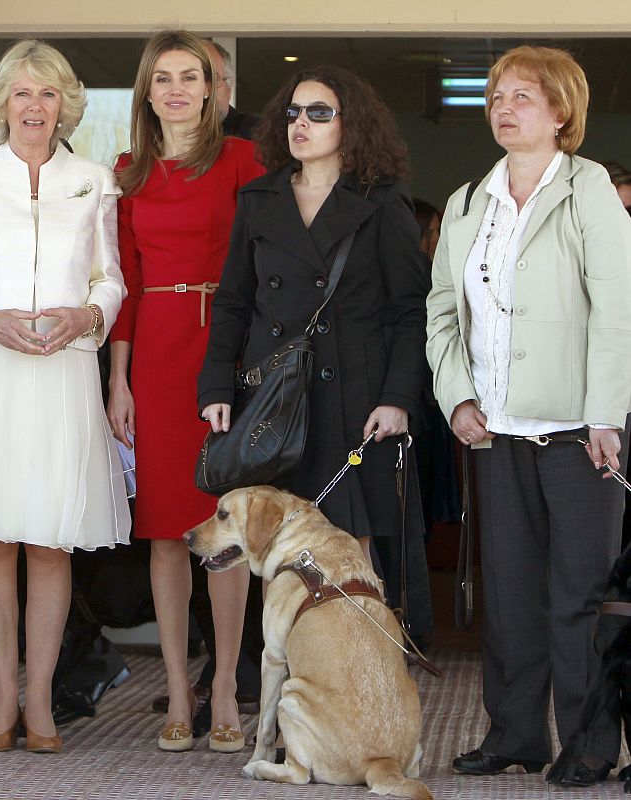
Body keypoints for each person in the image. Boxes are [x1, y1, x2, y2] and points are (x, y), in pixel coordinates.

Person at [427, 46, 631, 785]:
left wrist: (607, 414)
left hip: (581, 431)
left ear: (560, 113)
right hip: (495, 429)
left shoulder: (591, 192)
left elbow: (618, 313)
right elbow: (442, 314)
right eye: (496, 97)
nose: (504, 108)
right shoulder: (464, 203)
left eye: (522, 96)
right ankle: (515, 735)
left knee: (578, 594)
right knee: (509, 596)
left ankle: (589, 743)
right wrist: (457, 398)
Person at [0, 39, 129, 753]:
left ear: (64, 103)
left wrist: (87, 316)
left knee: (50, 540)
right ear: (0, 101)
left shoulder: (95, 179)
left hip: (63, 369)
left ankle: (40, 698)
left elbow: (111, 280)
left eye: (47, 94)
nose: (34, 106)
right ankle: (0, 696)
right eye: (21, 93)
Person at [199, 64, 430, 663]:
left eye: (319, 113)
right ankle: (296, 679)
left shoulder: (382, 203)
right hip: (276, 401)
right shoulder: (259, 199)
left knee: (350, 549)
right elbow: (233, 301)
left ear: (350, 125)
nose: (301, 124)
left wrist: (399, 396)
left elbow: (411, 310)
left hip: (356, 399)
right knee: (277, 544)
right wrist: (217, 383)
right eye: (294, 113)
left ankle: (361, 675)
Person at [107, 30, 264, 754]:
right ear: (147, 91)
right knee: (168, 532)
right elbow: (126, 286)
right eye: (162, 77)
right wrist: (119, 380)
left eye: (189, 76)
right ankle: (175, 687)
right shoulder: (127, 171)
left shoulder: (240, 158)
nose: (175, 88)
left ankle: (226, 683)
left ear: (212, 88)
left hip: (224, 348)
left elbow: (259, 264)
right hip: (157, 353)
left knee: (222, 529)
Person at [202, 40, 260, 139]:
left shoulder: (259, 134)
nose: (204, 90)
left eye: (212, 79)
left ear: (229, 88)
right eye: (190, 78)